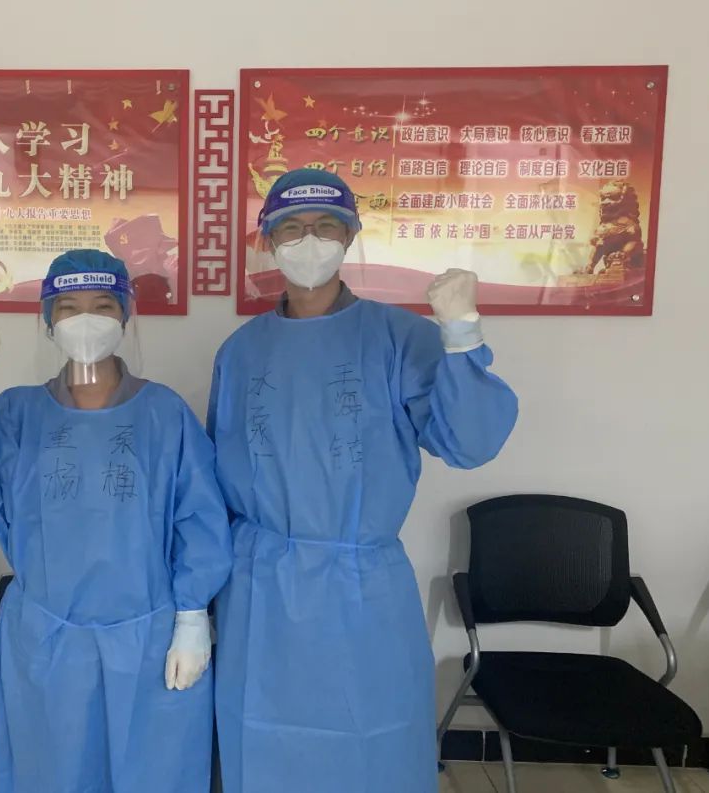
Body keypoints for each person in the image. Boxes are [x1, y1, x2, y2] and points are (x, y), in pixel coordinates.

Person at [209, 169, 518, 793]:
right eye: (292, 229)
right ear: (269, 240)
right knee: (260, 739)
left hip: (359, 585)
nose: (309, 241)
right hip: (259, 585)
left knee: (372, 740)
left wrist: (461, 334)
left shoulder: (401, 338)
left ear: (350, 235)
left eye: (326, 226)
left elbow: (470, 443)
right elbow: (216, 478)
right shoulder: (241, 351)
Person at [0, 249, 233, 793]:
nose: (87, 319)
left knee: (154, 772)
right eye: (69, 307)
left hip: (147, 637)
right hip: (47, 636)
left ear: (125, 316)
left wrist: (193, 617)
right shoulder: (16, 415)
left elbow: (199, 518)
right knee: (53, 772)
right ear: (48, 321)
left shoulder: (163, 413)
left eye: (103, 305)